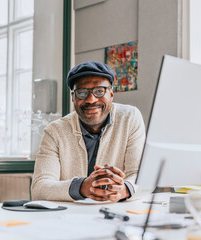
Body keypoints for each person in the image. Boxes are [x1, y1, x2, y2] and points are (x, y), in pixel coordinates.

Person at [31, 61, 145, 202]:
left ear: (111, 93)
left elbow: (141, 175)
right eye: (82, 92)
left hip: (117, 214)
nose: (91, 100)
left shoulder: (130, 118)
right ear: (73, 97)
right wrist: (81, 186)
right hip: (68, 217)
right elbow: (39, 188)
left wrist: (125, 189)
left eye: (99, 91)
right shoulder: (54, 131)